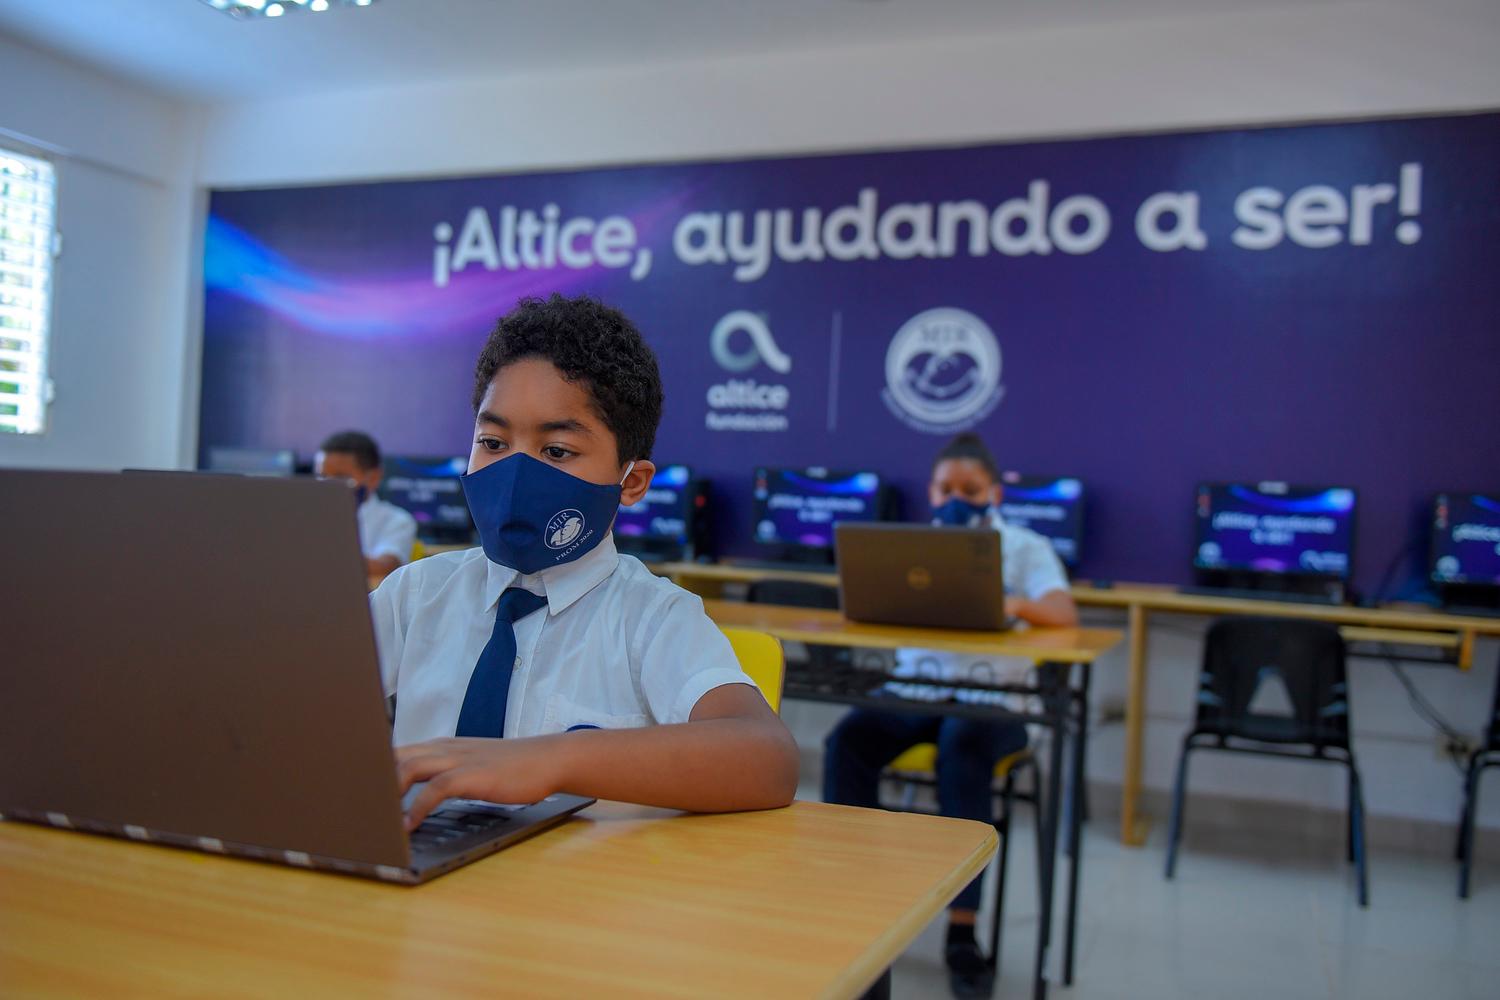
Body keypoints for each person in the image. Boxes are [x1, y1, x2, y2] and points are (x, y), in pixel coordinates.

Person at [370, 294, 799, 829]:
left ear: (633, 482)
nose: (515, 471)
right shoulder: (413, 595)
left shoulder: (653, 619)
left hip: (572, 900)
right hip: (414, 884)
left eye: (556, 451)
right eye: (493, 441)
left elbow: (767, 758)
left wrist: (548, 760)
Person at [822, 432, 1077, 999]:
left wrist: (1007, 602)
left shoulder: (1024, 547)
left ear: (993, 493)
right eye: (946, 488)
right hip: (918, 690)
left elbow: (1062, 610)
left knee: (962, 748)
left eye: (971, 489)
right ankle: (851, 902)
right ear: (932, 493)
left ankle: (963, 932)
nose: (957, 498)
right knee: (850, 739)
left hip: (995, 703)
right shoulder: (913, 545)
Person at [315, 430, 417, 579]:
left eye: (341, 477)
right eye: (322, 476)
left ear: (374, 477)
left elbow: (385, 567)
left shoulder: (397, 520)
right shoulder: (308, 515)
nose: (328, 485)